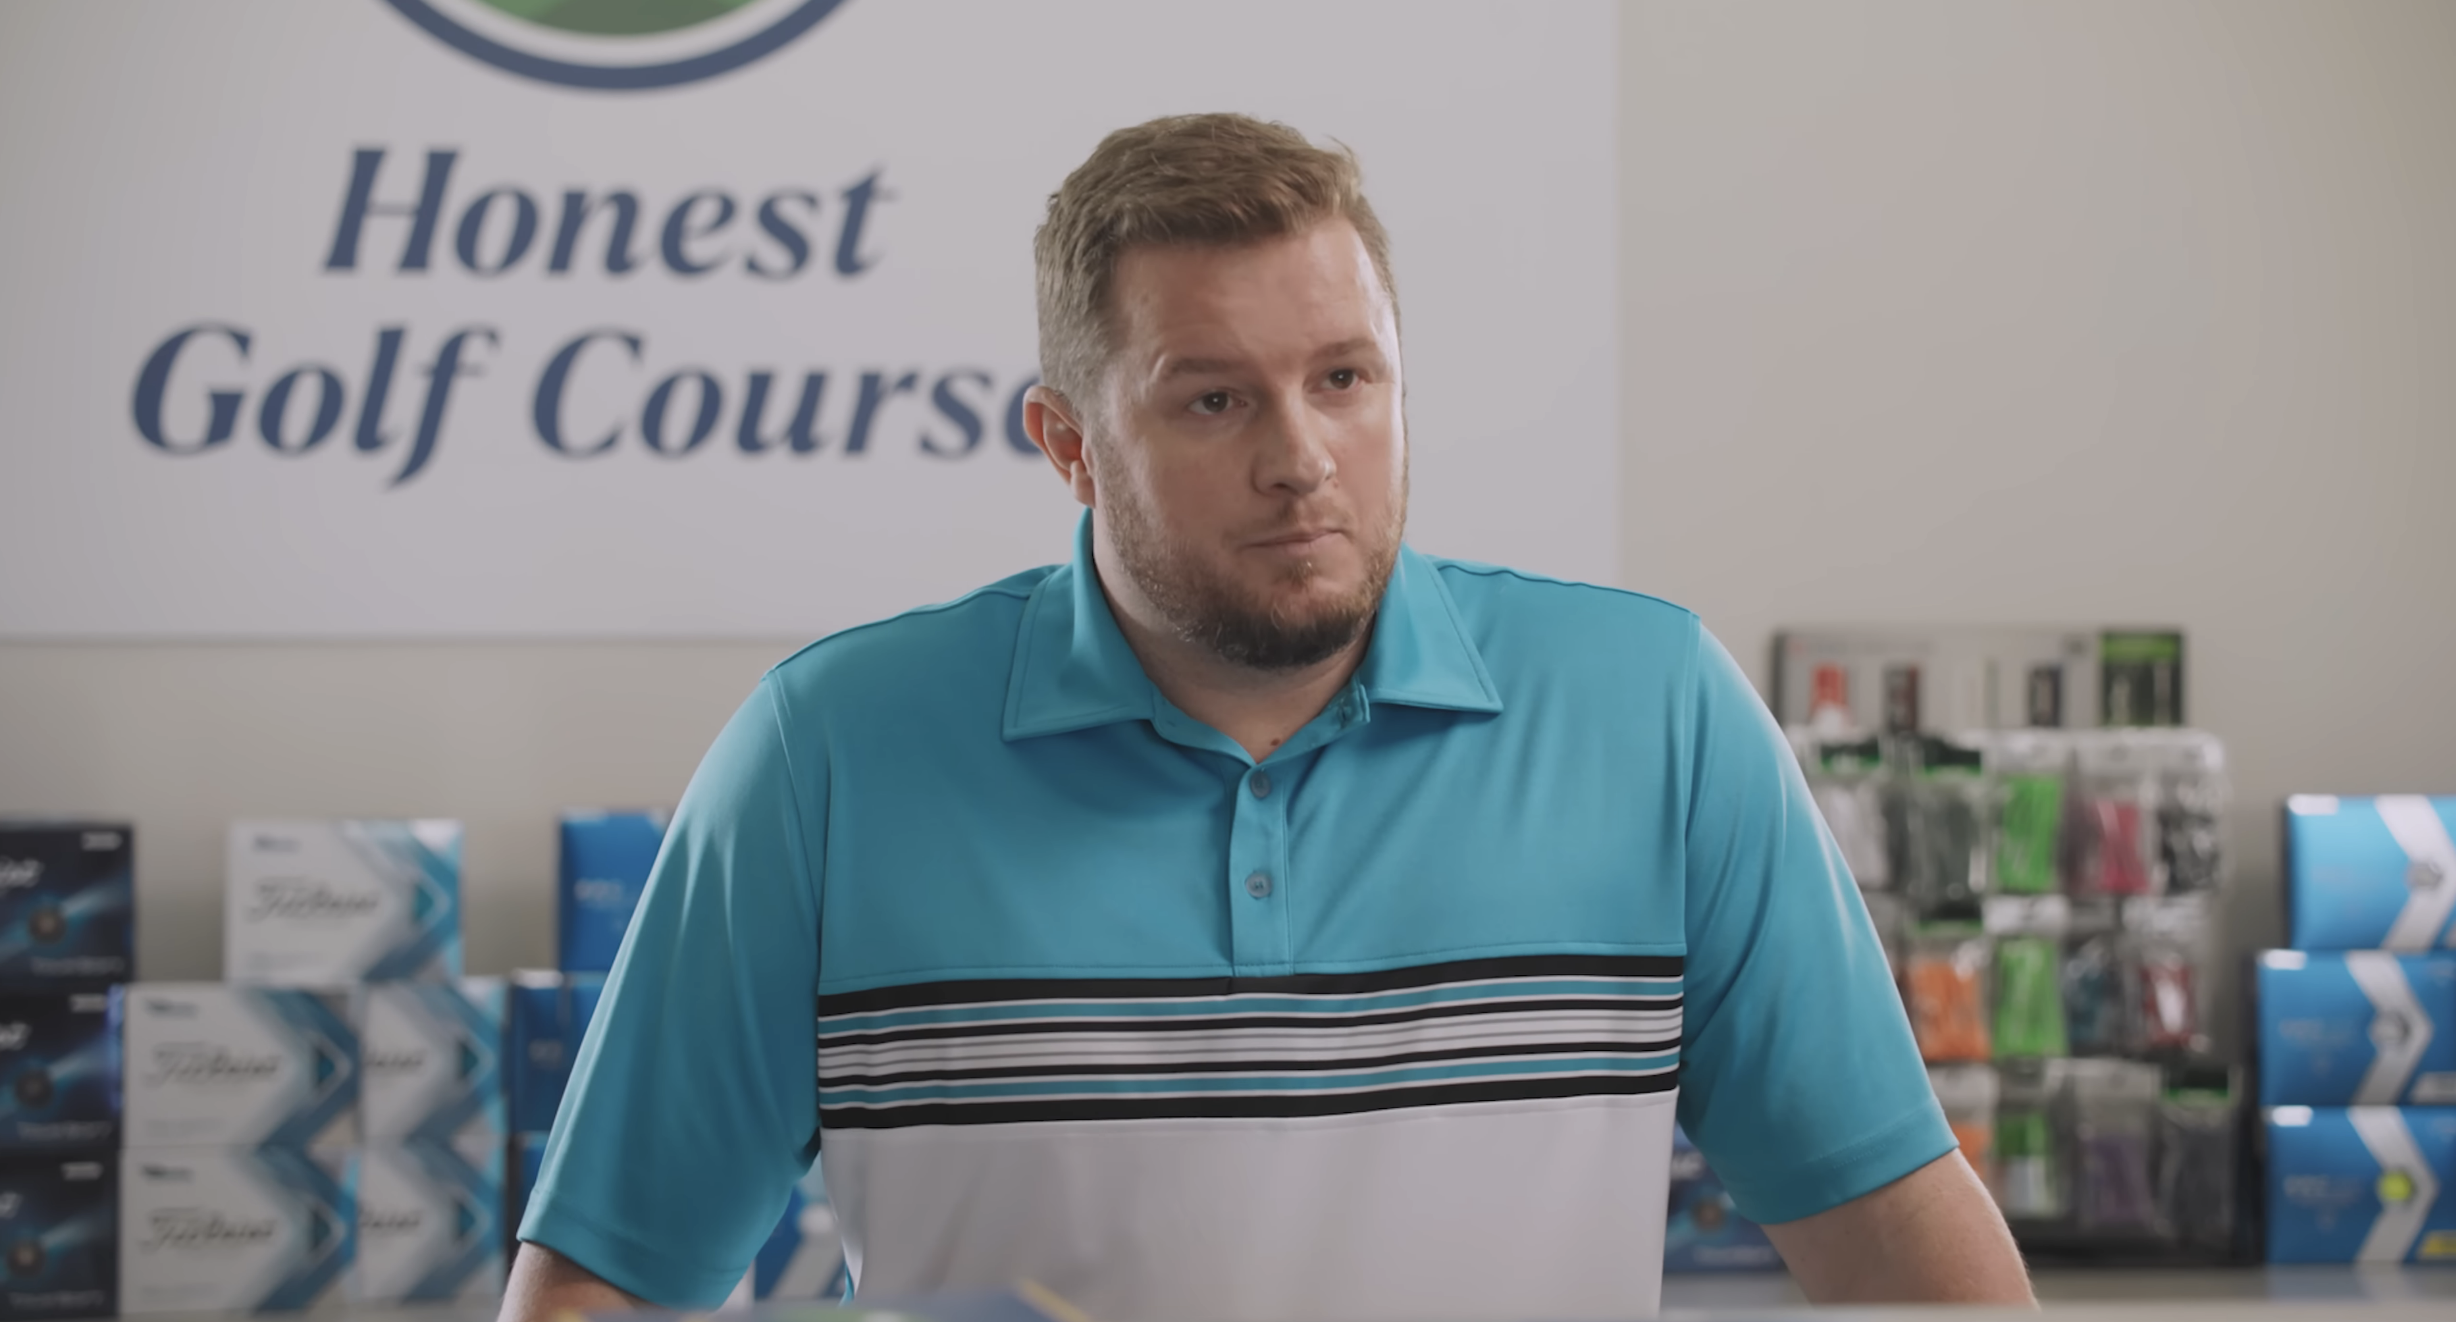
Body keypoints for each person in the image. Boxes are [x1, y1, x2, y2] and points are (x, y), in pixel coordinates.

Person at [503, 113, 2032, 1322]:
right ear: (1068, 445)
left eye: (1345, 378)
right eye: (1215, 399)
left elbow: (1901, 1241)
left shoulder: (1658, 714)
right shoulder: (826, 756)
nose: (1303, 457)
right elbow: (601, 1284)